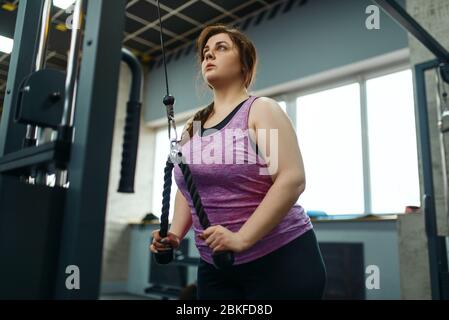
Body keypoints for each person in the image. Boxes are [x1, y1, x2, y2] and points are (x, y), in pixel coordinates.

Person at [150, 24, 326, 300]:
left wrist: (242, 238)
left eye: (221, 48)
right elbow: (189, 188)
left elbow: (292, 179)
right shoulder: (192, 127)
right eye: (206, 52)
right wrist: (174, 233)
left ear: (245, 64)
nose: (209, 56)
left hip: (279, 258)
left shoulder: (261, 110)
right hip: (216, 263)